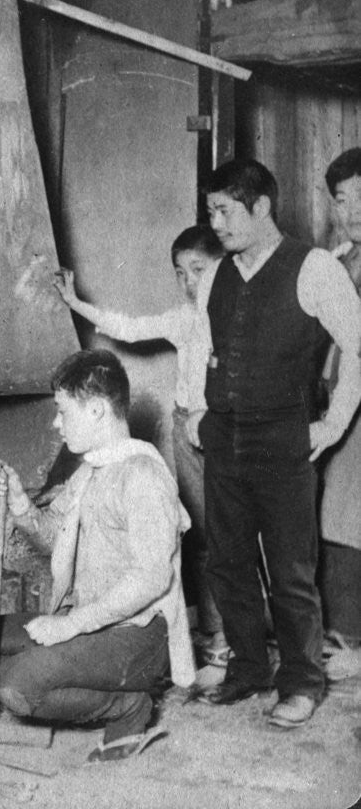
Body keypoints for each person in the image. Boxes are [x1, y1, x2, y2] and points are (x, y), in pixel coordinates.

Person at [0, 349, 194, 764]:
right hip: (92, 619)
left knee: (14, 686)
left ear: (98, 410)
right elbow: (55, 536)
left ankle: (129, 706)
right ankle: (72, 669)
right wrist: (19, 504)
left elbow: (151, 578)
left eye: (63, 412)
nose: (56, 422)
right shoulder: (90, 471)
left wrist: (69, 626)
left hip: (137, 636)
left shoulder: (141, 476)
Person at [196, 158, 361, 728]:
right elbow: (201, 345)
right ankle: (247, 668)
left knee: (291, 572)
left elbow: (358, 348)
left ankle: (301, 681)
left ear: (261, 206)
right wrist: (198, 416)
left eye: (225, 210)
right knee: (229, 562)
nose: (215, 222)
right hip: (224, 439)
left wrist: (334, 423)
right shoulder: (217, 273)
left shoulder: (314, 267)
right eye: (211, 210)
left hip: (284, 439)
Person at [53, 225, 227, 665]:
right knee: (203, 534)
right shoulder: (183, 319)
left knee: (233, 535)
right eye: (180, 273)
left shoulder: (237, 317)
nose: (188, 282)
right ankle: (217, 633)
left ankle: (244, 635)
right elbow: (129, 329)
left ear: (223, 267)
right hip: (186, 430)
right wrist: (76, 303)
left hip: (229, 432)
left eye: (198, 270)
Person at [316, 149, 361, 679]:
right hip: (340, 399)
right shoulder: (337, 258)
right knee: (336, 510)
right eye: (345, 200)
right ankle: (345, 631)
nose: (354, 210)